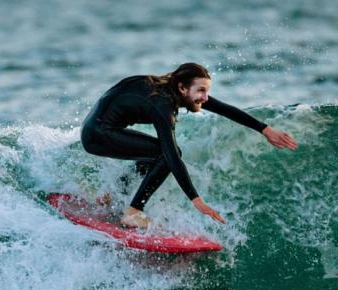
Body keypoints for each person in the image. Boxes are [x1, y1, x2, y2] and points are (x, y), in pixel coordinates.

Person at [81, 62, 298, 229]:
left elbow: (225, 109)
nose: (205, 98)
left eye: (207, 91)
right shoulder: (162, 105)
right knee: (164, 154)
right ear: (183, 88)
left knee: (152, 153)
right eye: (201, 91)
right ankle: (133, 212)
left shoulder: (170, 89)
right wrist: (196, 200)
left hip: (97, 128)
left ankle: (109, 196)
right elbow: (172, 156)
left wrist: (265, 129)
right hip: (98, 134)